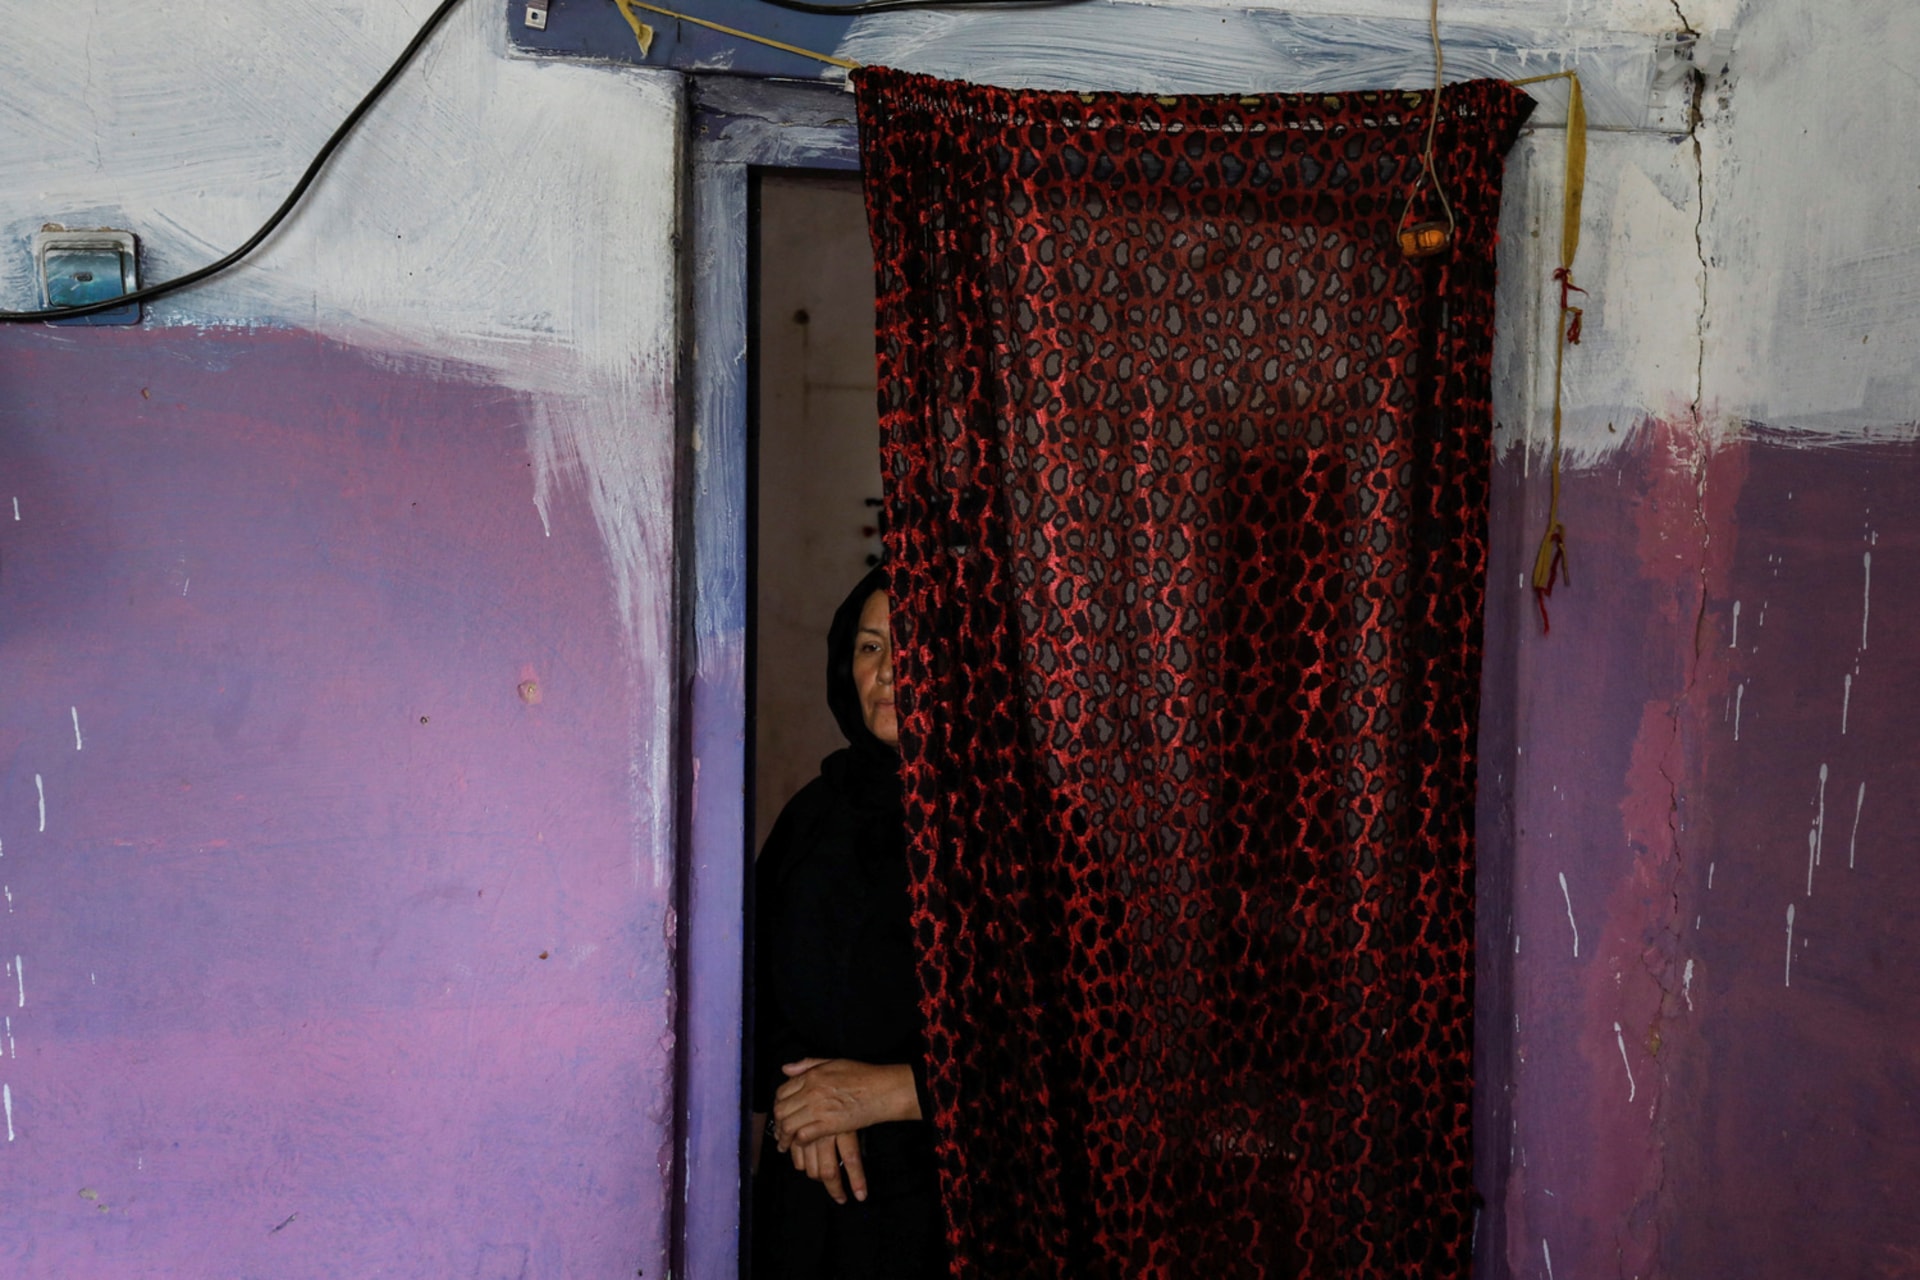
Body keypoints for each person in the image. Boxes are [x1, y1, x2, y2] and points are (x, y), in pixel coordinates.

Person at [750, 566, 945, 1279]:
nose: (891, 671)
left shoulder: (1026, 829)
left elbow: (1082, 1040)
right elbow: (746, 987)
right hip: (812, 1205)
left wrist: (896, 1091)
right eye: (869, 648)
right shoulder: (813, 817)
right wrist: (801, 1100)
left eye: (917, 643)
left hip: (957, 1208)